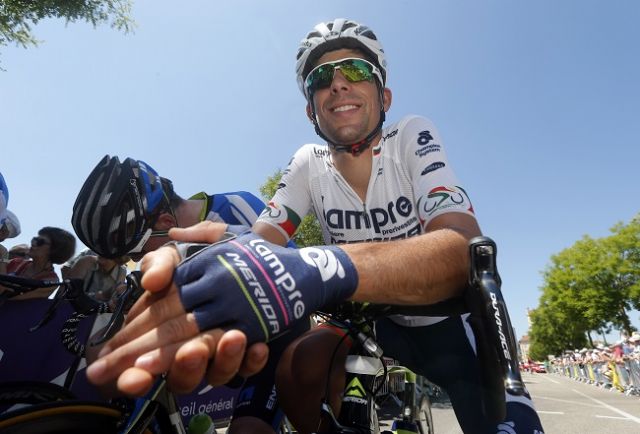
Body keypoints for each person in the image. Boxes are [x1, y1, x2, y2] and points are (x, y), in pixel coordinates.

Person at [84, 20, 543, 433]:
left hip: (448, 318)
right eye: (321, 79)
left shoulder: (410, 136)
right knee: (300, 368)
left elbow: (462, 249)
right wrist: (214, 255)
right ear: (311, 109)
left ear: (384, 97)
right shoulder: (309, 162)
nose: (339, 84)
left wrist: (319, 267)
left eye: (356, 72)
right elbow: (260, 246)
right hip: (372, 320)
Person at [71, 155, 305, 434]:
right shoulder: (162, 250)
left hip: (280, 338)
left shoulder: (234, 207)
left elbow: (295, 272)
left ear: (168, 221)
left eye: (136, 253)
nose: (138, 263)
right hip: (224, 349)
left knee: (247, 429)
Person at [0, 226, 76, 299]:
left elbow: (10, 300)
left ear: (54, 250)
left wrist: (3, 255)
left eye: (40, 242)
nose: (33, 243)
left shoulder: (50, 281)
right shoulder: (16, 262)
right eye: (34, 239)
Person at [61, 252, 128, 304]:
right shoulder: (87, 259)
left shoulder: (121, 271)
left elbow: (113, 299)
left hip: (94, 315)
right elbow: (72, 296)